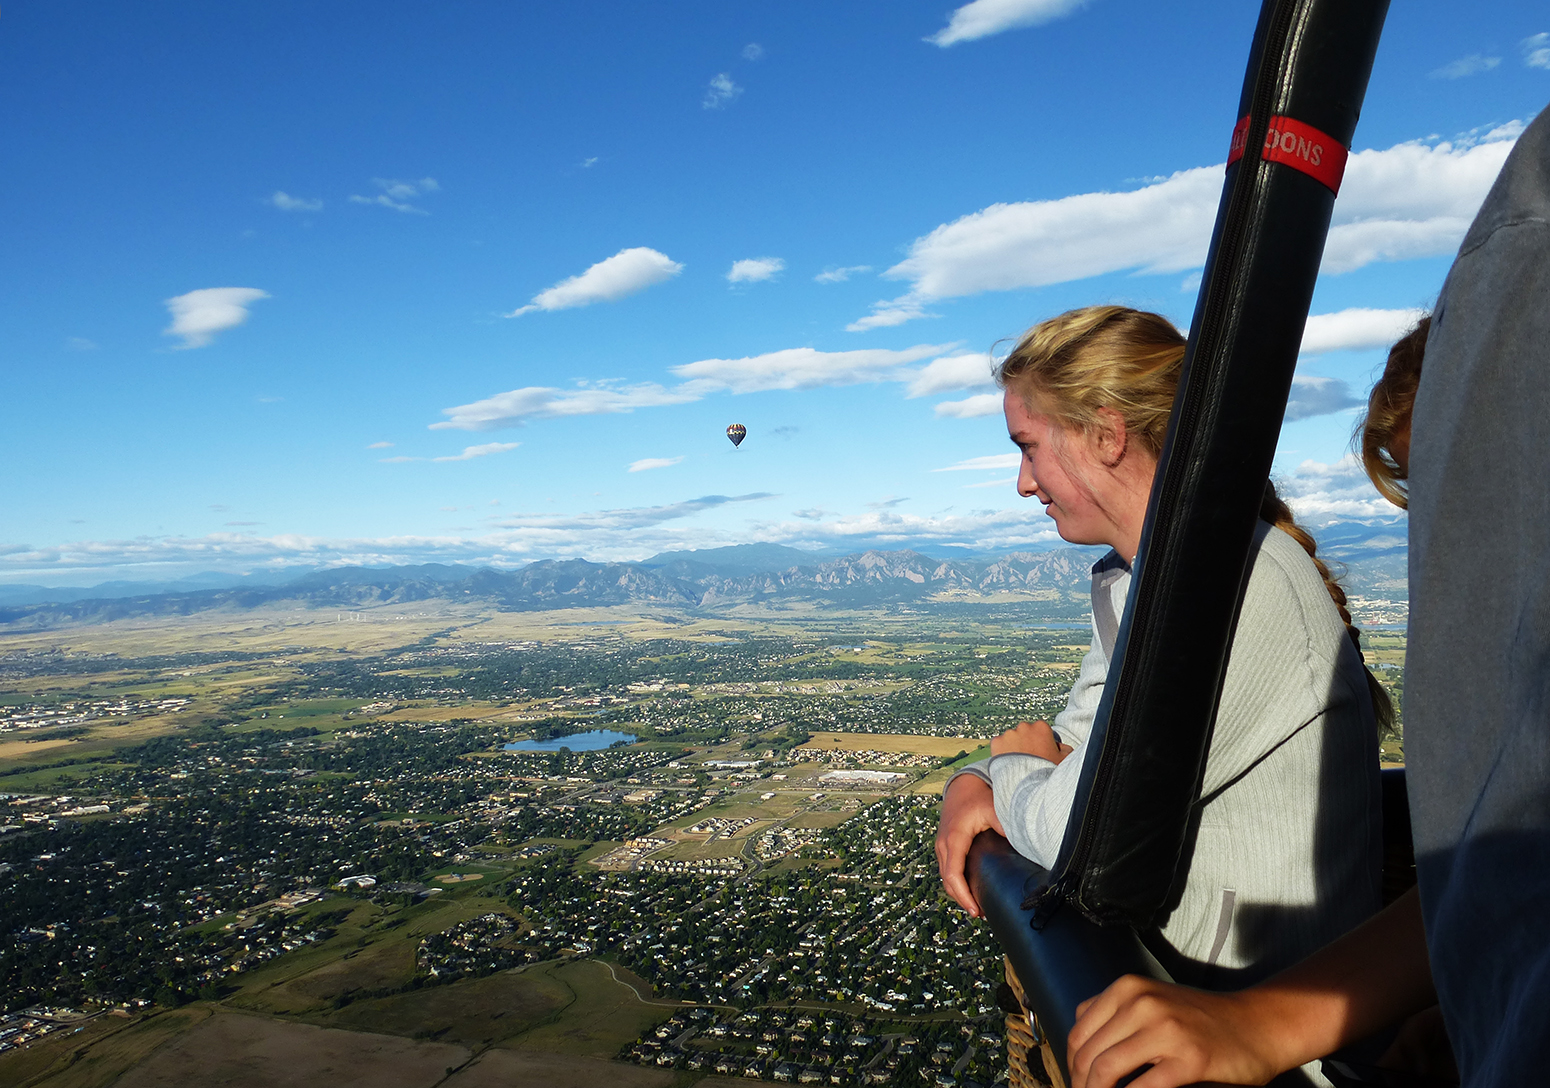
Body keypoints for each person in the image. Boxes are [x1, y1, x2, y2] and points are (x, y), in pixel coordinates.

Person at [1063, 102, 1550, 1088]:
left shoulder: (1243, 589)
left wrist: (993, 776)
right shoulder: (1130, 582)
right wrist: (1464, 1000)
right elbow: (1504, 857)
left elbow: (1088, 819)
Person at [935, 306, 1388, 995]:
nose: (1023, 483)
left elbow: (1077, 833)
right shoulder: (1147, 579)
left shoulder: (1222, 590)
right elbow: (1080, 737)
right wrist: (976, 779)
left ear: (1106, 435)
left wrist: (1012, 769)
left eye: (1027, 447)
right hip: (1202, 1005)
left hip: (1270, 1040)